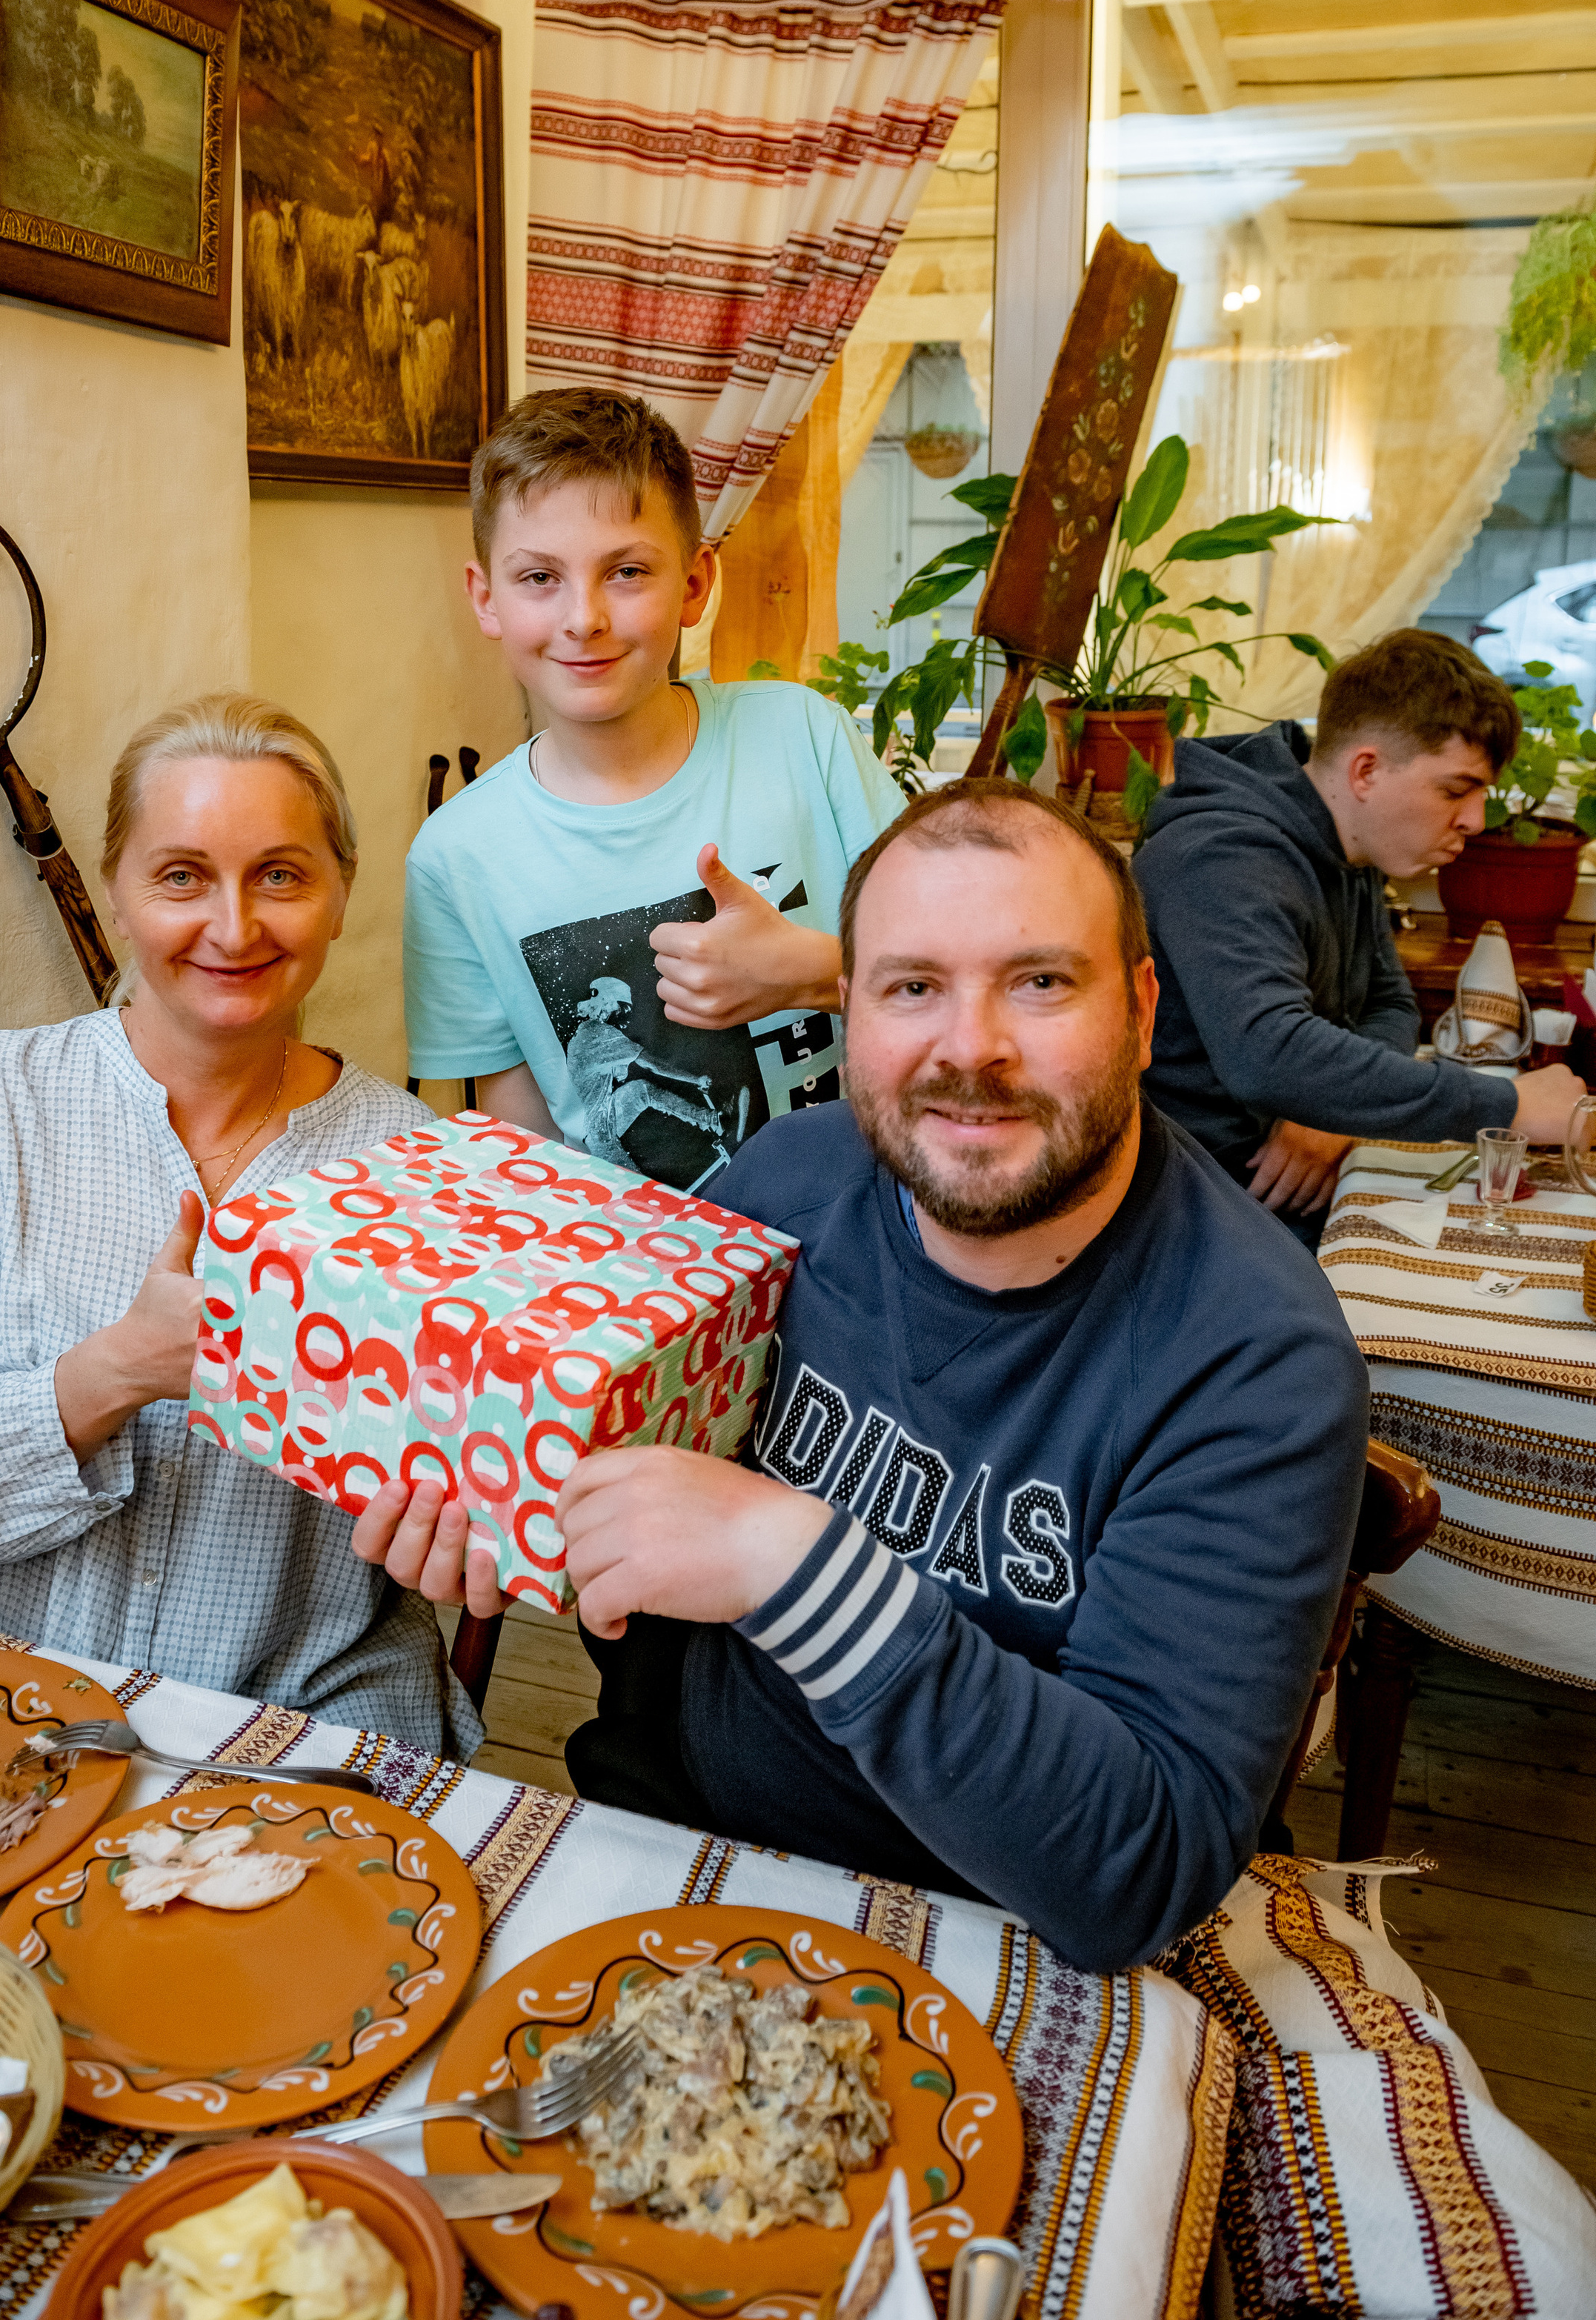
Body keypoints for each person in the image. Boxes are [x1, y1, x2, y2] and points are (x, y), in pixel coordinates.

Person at [364, 779, 1369, 1972]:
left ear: (1143, 1013)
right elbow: (642, 1592)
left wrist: (792, 1563)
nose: (970, 1048)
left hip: (1008, 1940)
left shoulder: (1257, 1360)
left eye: (1040, 981)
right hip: (671, 1841)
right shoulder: (780, 1186)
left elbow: (1134, 1871)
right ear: (848, 1011)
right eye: (911, 987)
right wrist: (517, 1527)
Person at [0, 694, 476, 1752]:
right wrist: (121, 1369)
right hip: (13, 1701)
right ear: (120, 895)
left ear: (341, 896)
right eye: (182, 875)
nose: (234, 925)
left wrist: (459, 1516)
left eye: (281, 873)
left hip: (310, 1720)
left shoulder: (416, 1167)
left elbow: (448, 1490)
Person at [401, 390, 905, 1194]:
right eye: (539, 577)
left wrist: (815, 971)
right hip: (639, 1284)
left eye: (627, 571)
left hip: (872, 1231)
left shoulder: (806, 741)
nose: (583, 618)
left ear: (696, 583)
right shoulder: (454, 858)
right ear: (486, 598)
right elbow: (520, 1148)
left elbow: (959, 978)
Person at [1134, 629, 1585, 1238]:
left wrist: (1329, 1116)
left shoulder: (1351, 848)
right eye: (1456, 789)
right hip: (1200, 1203)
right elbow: (1270, 1056)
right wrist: (1510, 1106)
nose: (1476, 820)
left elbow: (1391, 1003)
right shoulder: (1220, 857)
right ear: (1366, 770)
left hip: (1288, 1183)